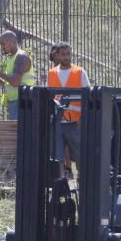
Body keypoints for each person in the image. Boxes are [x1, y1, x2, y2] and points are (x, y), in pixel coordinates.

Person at [47, 42, 89, 175]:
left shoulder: (79, 72)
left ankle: (82, 182)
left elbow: (88, 97)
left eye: (68, 54)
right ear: (57, 55)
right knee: (57, 157)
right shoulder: (51, 73)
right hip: (58, 122)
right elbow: (49, 96)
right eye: (63, 54)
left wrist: (83, 119)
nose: (66, 57)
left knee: (80, 156)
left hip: (75, 123)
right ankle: (60, 184)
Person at [0, 30, 35, 121]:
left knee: (18, 132)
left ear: (12, 42)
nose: (1, 47)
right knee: (15, 132)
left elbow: (15, 82)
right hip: (15, 101)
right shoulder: (13, 58)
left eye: (3, 44)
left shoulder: (21, 57)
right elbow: (9, 84)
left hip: (22, 102)